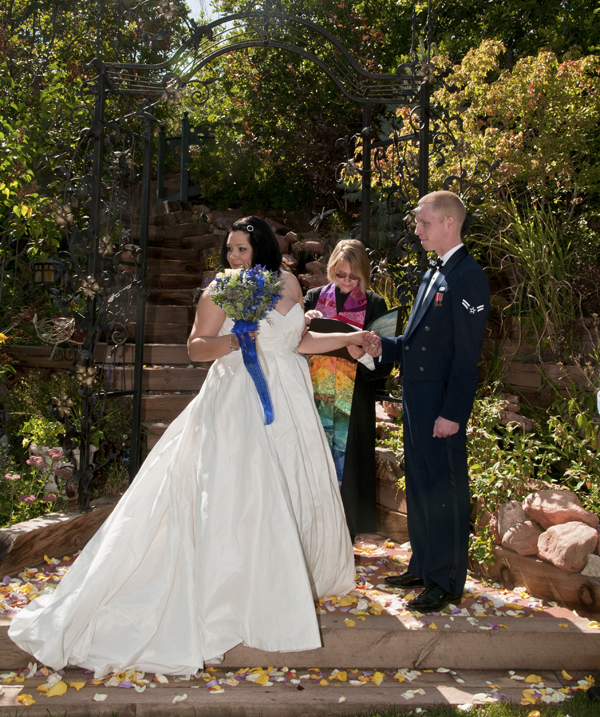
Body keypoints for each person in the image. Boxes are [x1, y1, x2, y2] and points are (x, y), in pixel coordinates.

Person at [9, 216, 376, 676]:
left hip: (291, 401)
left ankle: (284, 578)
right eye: (230, 249)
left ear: (261, 247)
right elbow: (196, 347)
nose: (234, 257)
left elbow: (299, 340)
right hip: (238, 399)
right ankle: (233, 591)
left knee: (293, 484)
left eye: (242, 248)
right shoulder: (221, 288)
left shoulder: (288, 283)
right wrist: (231, 341)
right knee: (244, 493)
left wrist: (349, 338)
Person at [370, 191, 490, 614]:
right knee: (421, 486)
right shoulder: (432, 273)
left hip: (441, 402)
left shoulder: (467, 276)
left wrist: (453, 413)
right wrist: (380, 346)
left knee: (444, 491)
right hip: (417, 398)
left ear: (448, 223)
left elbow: (467, 355)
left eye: (423, 222)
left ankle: (446, 580)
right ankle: (423, 567)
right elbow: (416, 342)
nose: (417, 229)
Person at [304, 239, 391, 538]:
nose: (346, 281)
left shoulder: (376, 305)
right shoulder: (314, 298)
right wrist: (303, 322)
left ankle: (347, 538)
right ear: (331, 269)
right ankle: (315, 536)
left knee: (351, 472)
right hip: (313, 395)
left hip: (354, 399)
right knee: (314, 464)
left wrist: (363, 354)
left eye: (354, 276)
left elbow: (385, 365)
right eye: (340, 274)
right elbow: (291, 345)